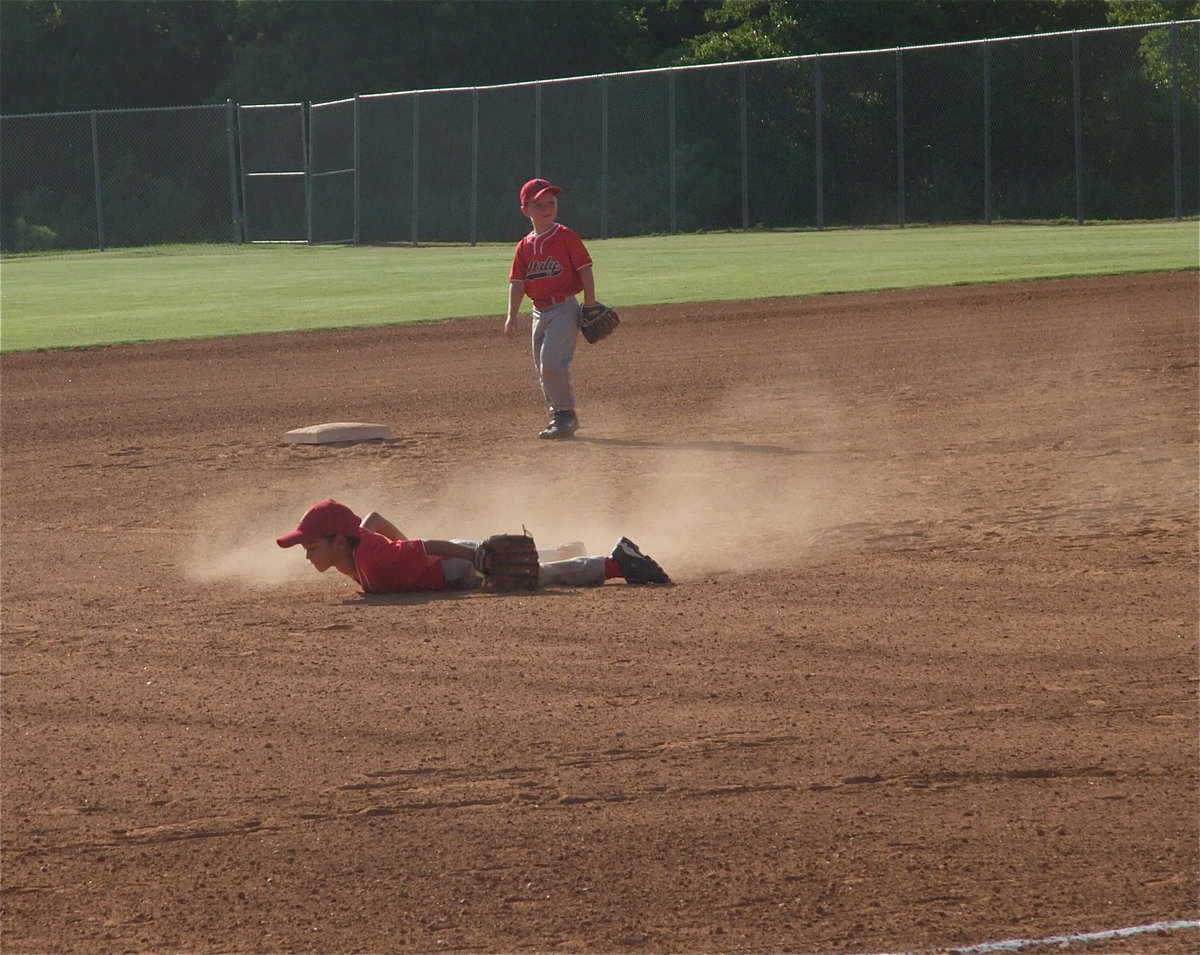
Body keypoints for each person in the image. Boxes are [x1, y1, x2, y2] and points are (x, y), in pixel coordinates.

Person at [276, 499, 671, 594]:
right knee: (537, 566)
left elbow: (426, 544)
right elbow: (373, 519)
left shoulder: (372, 559)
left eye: (310, 545)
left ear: (339, 540)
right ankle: (566, 549)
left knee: (538, 579)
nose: (306, 552)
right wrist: (405, 545)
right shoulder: (359, 548)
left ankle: (619, 564)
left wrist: (478, 557)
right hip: (450, 560)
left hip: (457, 565)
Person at [504, 178, 599, 440]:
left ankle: (566, 414)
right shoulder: (524, 246)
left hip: (564, 308)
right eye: (539, 204)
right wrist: (512, 315)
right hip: (538, 312)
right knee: (542, 366)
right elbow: (517, 283)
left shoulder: (566, 236)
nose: (546, 208)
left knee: (551, 361)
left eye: (551, 203)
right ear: (526, 210)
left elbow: (585, 270)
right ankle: (559, 414)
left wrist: (589, 304)